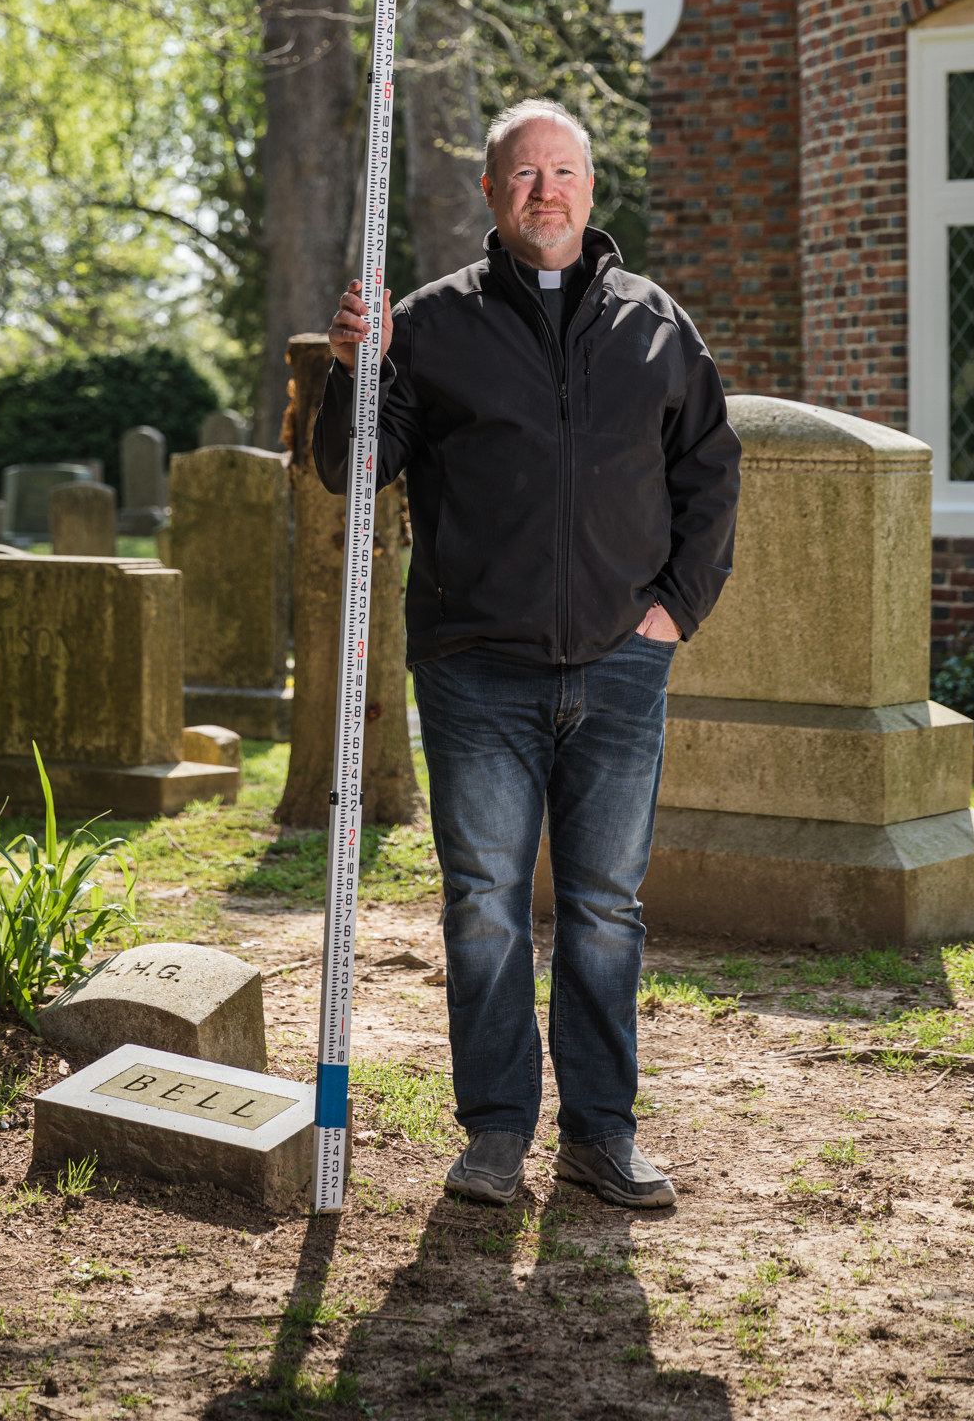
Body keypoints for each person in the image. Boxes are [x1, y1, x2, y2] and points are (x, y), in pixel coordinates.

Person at [315, 99, 740, 1209]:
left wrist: (672, 613)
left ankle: (601, 1131)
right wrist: (349, 370)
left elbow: (711, 472)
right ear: (492, 194)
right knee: (487, 900)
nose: (545, 191)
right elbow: (349, 468)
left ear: (592, 188)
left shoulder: (656, 324)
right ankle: (497, 1129)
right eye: (522, 175)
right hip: (475, 670)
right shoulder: (430, 324)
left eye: (563, 172)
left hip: (618, 666)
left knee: (604, 906)